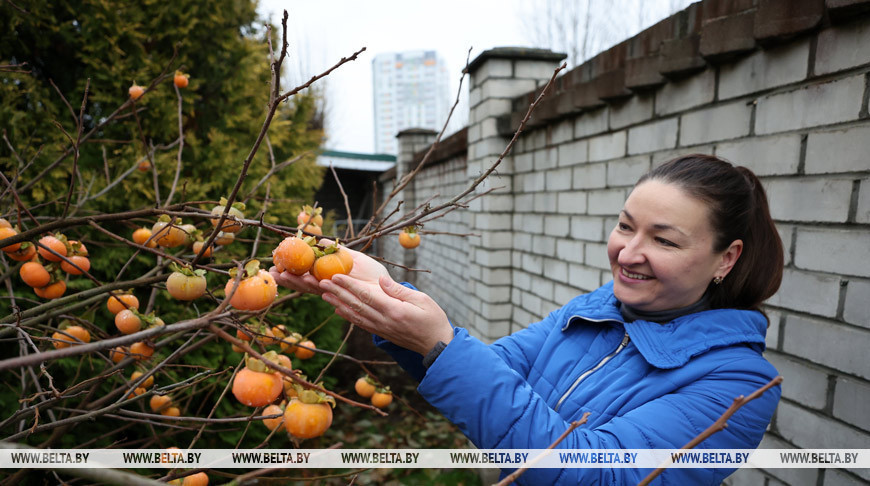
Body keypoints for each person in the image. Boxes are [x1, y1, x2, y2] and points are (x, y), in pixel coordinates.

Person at [270, 154, 784, 485]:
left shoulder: (737, 385)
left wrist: (439, 343)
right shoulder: (594, 311)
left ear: (726, 258)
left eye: (664, 240)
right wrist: (383, 293)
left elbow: (592, 473)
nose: (628, 253)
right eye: (625, 226)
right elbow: (492, 371)